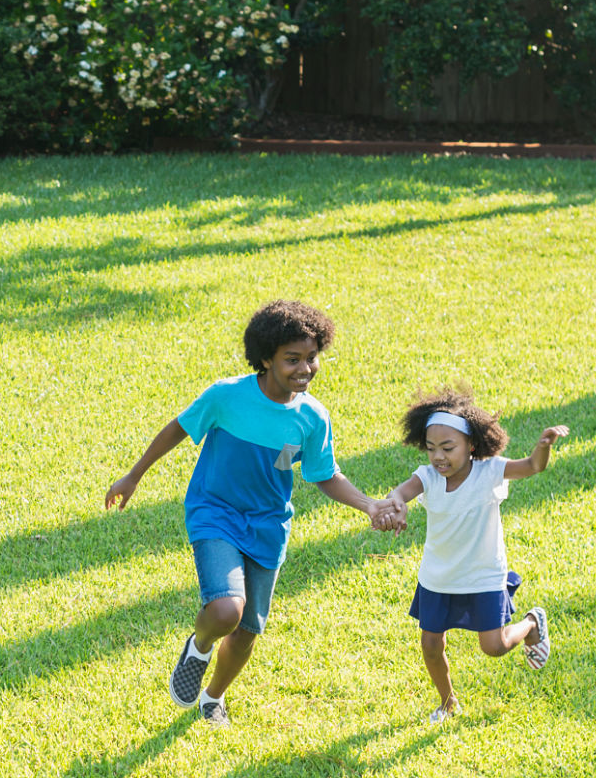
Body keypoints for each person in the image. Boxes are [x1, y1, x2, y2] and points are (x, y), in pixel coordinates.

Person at [105, 299, 402, 728]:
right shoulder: (227, 397)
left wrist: (369, 504)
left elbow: (324, 474)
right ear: (265, 358)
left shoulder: (312, 417)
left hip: (268, 526)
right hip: (216, 512)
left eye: (312, 358)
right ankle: (200, 646)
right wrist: (133, 476)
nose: (305, 369)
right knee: (226, 611)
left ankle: (213, 697)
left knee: (246, 632)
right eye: (292, 359)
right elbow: (177, 428)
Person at [375, 388, 568, 722]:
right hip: (439, 575)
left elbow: (533, 466)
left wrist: (543, 447)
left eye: (448, 448)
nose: (439, 457)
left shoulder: (489, 472)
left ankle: (532, 623)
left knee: (493, 646)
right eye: (432, 448)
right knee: (431, 646)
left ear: (472, 446)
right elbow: (400, 493)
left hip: (482, 574)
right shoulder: (428, 477)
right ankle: (448, 702)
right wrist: (397, 506)